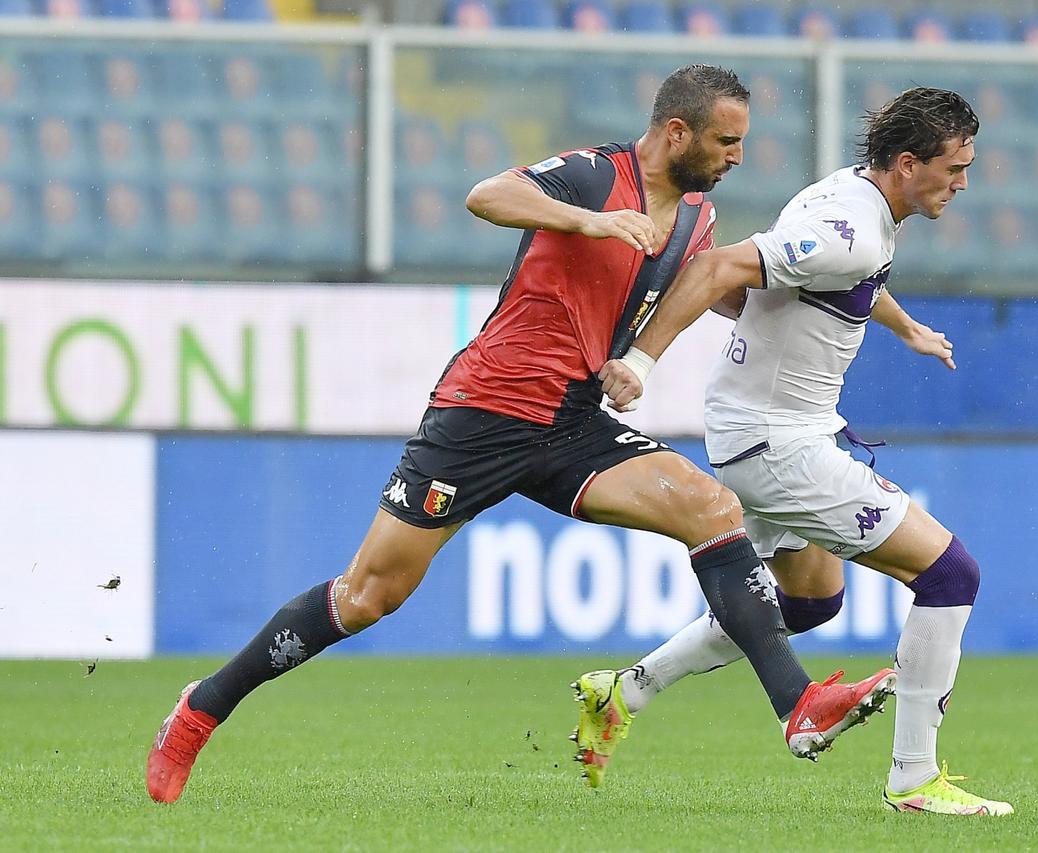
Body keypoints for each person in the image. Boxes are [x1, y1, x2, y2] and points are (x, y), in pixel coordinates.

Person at [145, 64, 894, 804]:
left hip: (572, 423)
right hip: (484, 411)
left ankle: (798, 705)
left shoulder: (698, 220)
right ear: (677, 132)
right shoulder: (596, 176)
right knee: (370, 594)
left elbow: (713, 290)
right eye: (726, 141)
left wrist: (861, 309)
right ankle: (200, 709)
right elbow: (488, 195)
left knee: (711, 508)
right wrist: (589, 220)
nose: (737, 157)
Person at [582, 86, 1013, 816]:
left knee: (811, 601)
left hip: (764, 430)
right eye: (955, 167)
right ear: (908, 163)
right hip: (779, 443)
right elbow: (718, 271)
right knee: (950, 573)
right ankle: (914, 779)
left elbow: (845, 283)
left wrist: (906, 327)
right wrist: (643, 363)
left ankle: (625, 689)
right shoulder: (853, 229)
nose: (963, 183)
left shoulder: (854, 199)